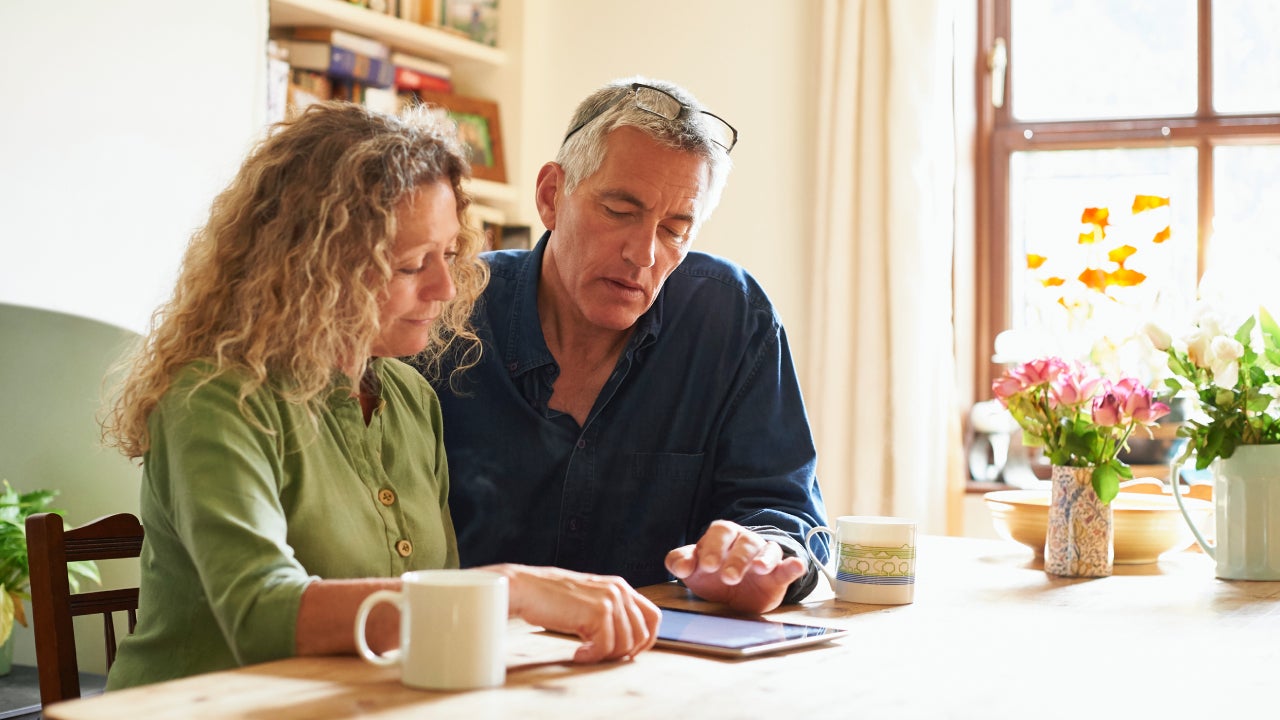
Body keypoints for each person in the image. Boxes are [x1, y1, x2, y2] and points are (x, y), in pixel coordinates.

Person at [100, 102, 659, 690]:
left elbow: (430, 606)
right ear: (316, 267)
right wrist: (508, 591)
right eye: (414, 264)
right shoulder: (215, 400)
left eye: (448, 255)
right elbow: (263, 614)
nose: (446, 287)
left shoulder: (411, 397)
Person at [422, 77, 829, 615]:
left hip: (657, 668)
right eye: (619, 211)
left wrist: (763, 558)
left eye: (675, 230)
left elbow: (783, 509)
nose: (643, 254)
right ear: (551, 196)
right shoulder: (448, 309)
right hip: (464, 656)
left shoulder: (732, 319)